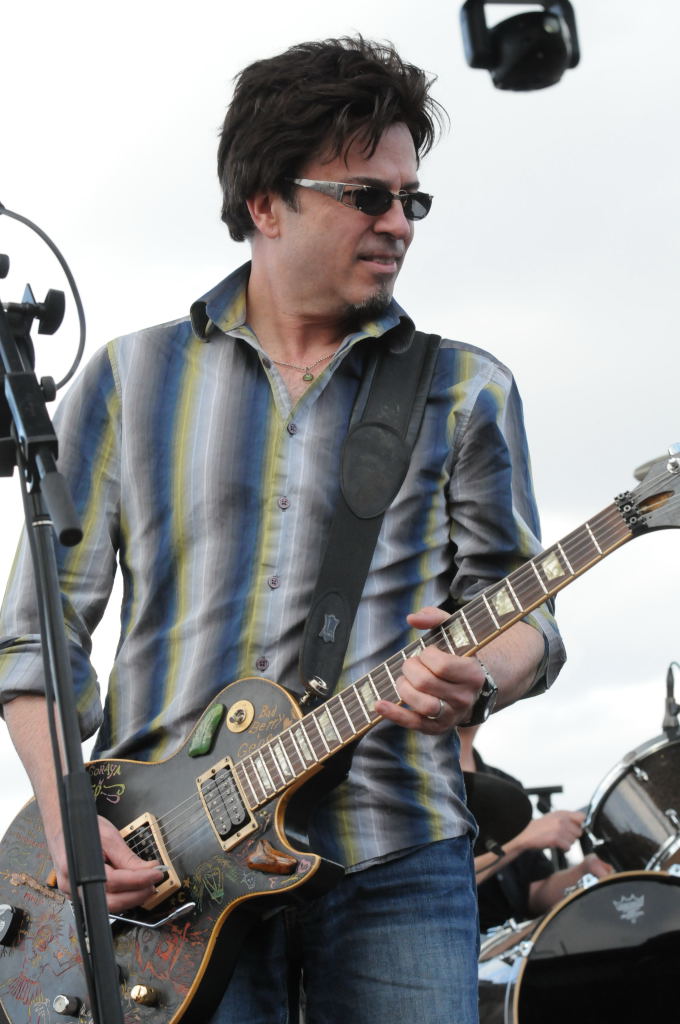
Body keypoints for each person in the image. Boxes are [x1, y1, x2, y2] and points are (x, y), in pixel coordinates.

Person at [0, 36, 565, 1024]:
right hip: (163, 869)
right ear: (266, 203)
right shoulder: (132, 379)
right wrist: (68, 822)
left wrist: (483, 674)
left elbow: (526, 613)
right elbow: (36, 638)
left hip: (396, 849)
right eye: (366, 195)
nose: (398, 224)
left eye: (412, 200)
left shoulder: (463, 387)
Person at [459, 725, 613, 932]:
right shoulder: (417, 786)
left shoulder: (506, 786)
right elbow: (430, 885)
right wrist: (523, 838)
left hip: (511, 945)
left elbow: (535, 893)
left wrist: (585, 872)